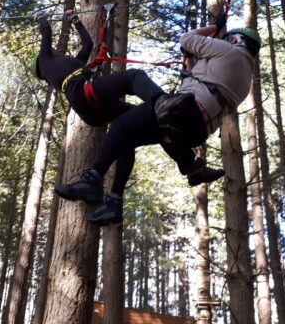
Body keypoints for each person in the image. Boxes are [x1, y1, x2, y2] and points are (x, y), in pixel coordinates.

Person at [54, 22, 261, 226]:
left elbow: (187, 38)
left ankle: (93, 179)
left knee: (133, 82)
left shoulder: (229, 51)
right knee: (126, 136)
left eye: (228, 39)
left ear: (235, 40)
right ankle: (113, 201)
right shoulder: (245, 77)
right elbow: (203, 78)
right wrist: (190, 60)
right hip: (196, 127)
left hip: (182, 111)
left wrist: (213, 28)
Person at [32, 9, 172, 127]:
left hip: (86, 105)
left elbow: (88, 45)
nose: (54, 50)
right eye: (51, 50)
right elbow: (46, 30)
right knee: (133, 77)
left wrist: (76, 21)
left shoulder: (70, 67)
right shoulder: (44, 61)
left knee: (143, 117)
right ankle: (162, 102)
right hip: (81, 91)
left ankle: (173, 135)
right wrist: (40, 16)